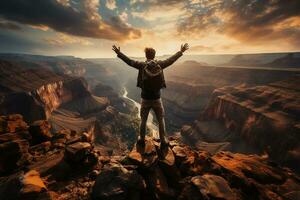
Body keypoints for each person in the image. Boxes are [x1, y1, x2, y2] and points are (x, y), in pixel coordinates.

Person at [112, 43, 189, 147]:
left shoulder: (142, 65)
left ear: (146, 55)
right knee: (161, 119)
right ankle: (163, 140)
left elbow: (129, 61)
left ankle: (142, 139)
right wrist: (181, 52)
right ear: (154, 55)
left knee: (143, 119)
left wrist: (119, 53)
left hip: (145, 98)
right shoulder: (160, 64)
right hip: (157, 98)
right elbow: (171, 60)